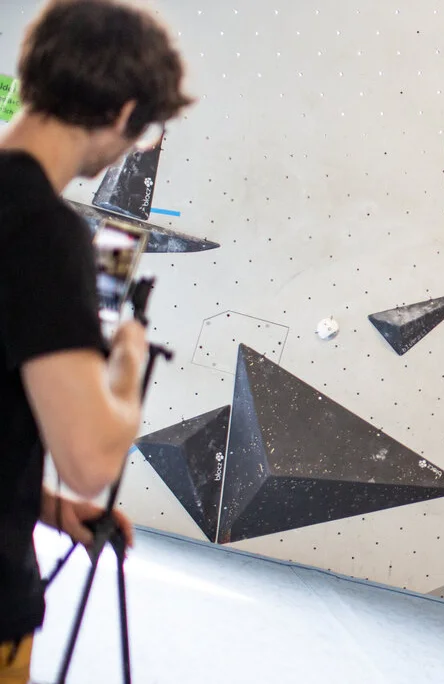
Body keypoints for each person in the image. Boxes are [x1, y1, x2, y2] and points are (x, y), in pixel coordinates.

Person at [0, 1, 192, 681]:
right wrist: (127, 361)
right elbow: (87, 457)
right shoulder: (43, 231)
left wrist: (43, 507)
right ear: (122, 112)